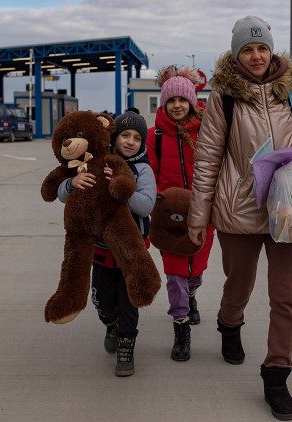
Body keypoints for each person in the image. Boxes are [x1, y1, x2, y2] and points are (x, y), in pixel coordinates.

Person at [187, 16, 292, 420]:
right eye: (248, 49)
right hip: (239, 208)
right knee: (239, 284)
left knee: (286, 297)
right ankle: (229, 322)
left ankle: (276, 376)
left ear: (272, 51)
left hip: (290, 208)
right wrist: (198, 216)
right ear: (237, 54)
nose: (256, 56)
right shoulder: (224, 98)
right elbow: (207, 160)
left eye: (262, 48)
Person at [57, 111, 156, 377]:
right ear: (113, 136)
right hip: (100, 249)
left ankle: (126, 344)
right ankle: (110, 324)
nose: (131, 141)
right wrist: (72, 183)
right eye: (125, 135)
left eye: (137, 137)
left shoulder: (142, 169)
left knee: (128, 302)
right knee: (102, 300)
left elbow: (146, 205)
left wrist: (122, 188)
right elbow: (61, 194)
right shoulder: (91, 161)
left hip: (130, 252)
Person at [147, 66, 215, 362]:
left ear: (192, 102)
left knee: (196, 270)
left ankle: (192, 294)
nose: (177, 105)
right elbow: (148, 173)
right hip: (168, 216)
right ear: (164, 103)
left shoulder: (205, 132)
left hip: (202, 213)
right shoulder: (155, 136)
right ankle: (181, 327)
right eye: (171, 100)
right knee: (175, 274)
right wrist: (156, 201)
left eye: (182, 100)